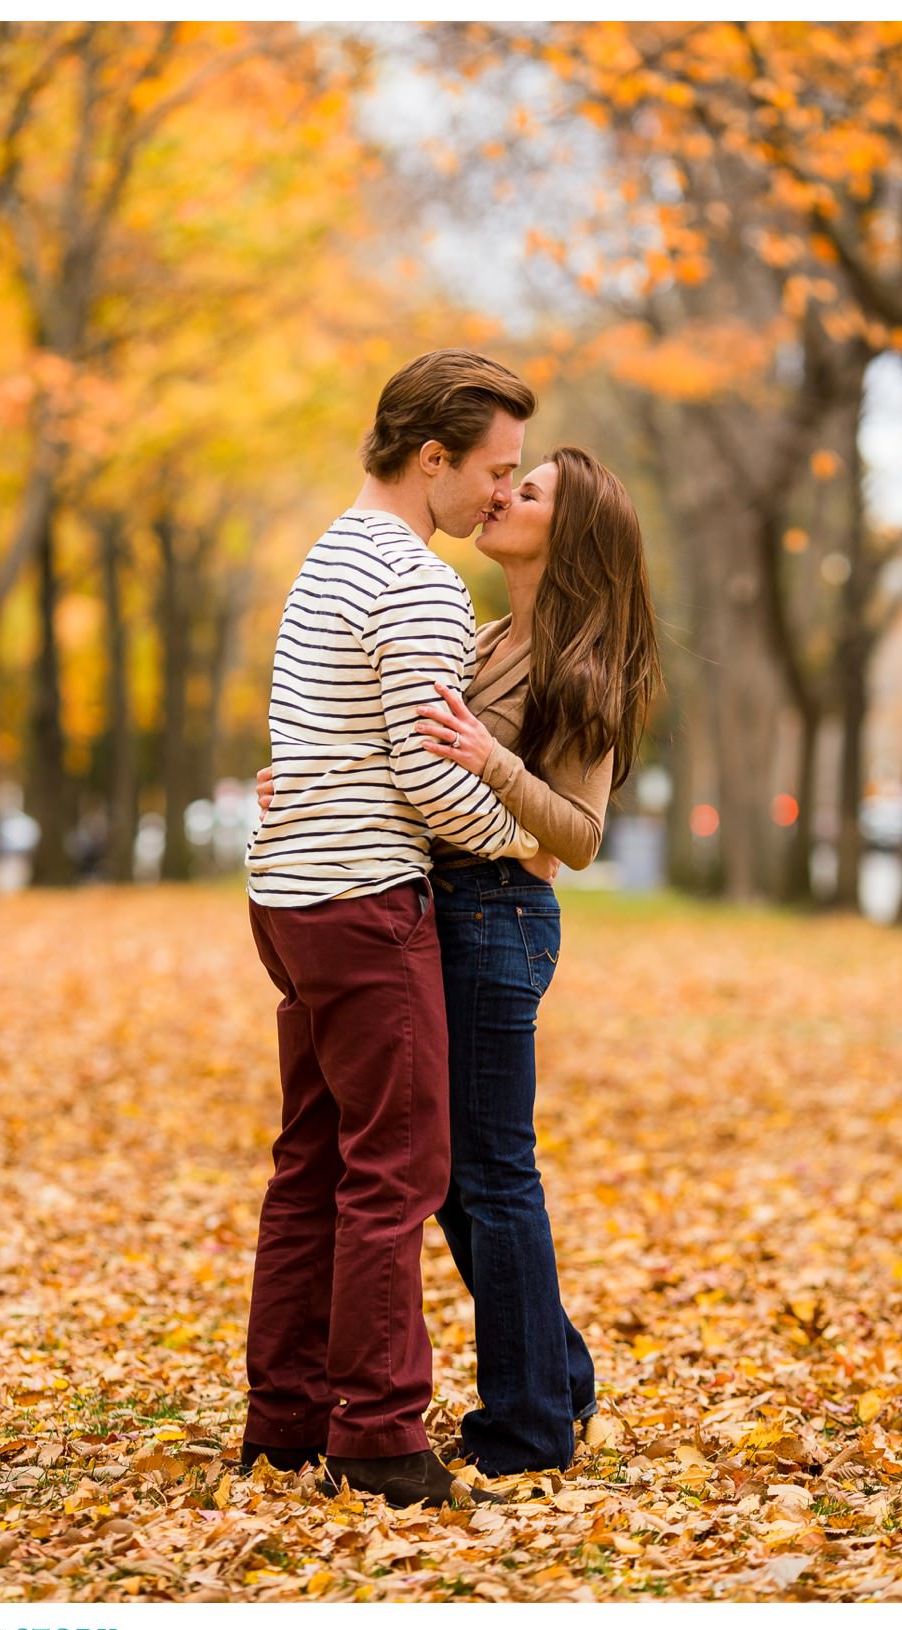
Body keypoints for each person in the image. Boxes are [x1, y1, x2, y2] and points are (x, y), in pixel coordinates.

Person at [256, 445, 661, 1478]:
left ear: (565, 535)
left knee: (488, 1174)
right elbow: (402, 755)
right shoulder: (482, 639)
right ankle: (557, 1374)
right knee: (446, 1178)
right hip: (437, 905)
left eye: (527, 491)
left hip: (501, 919)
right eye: (507, 477)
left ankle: (528, 1425)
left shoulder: (584, 662)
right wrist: (309, 784)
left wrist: (495, 762)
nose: (501, 495)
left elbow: (578, 833)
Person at [240, 348, 543, 1510]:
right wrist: (525, 835)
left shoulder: (331, 552)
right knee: (397, 1168)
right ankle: (374, 1431)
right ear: (432, 458)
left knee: (312, 1162)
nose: (501, 497)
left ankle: (285, 1419)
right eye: (494, 470)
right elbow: (431, 775)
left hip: (292, 895)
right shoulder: (416, 582)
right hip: (365, 902)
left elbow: (335, 737)